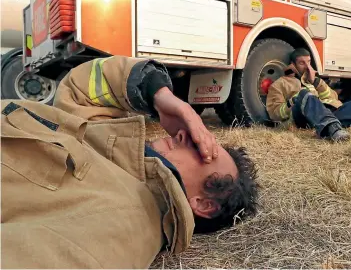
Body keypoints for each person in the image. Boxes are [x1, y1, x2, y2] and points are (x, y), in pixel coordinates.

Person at [1, 56, 259, 268]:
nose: (186, 135)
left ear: (203, 204)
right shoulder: (117, 155)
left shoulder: (123, 226)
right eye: (199, 137)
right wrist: (161, 97)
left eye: (203, 152)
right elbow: (83, 88)